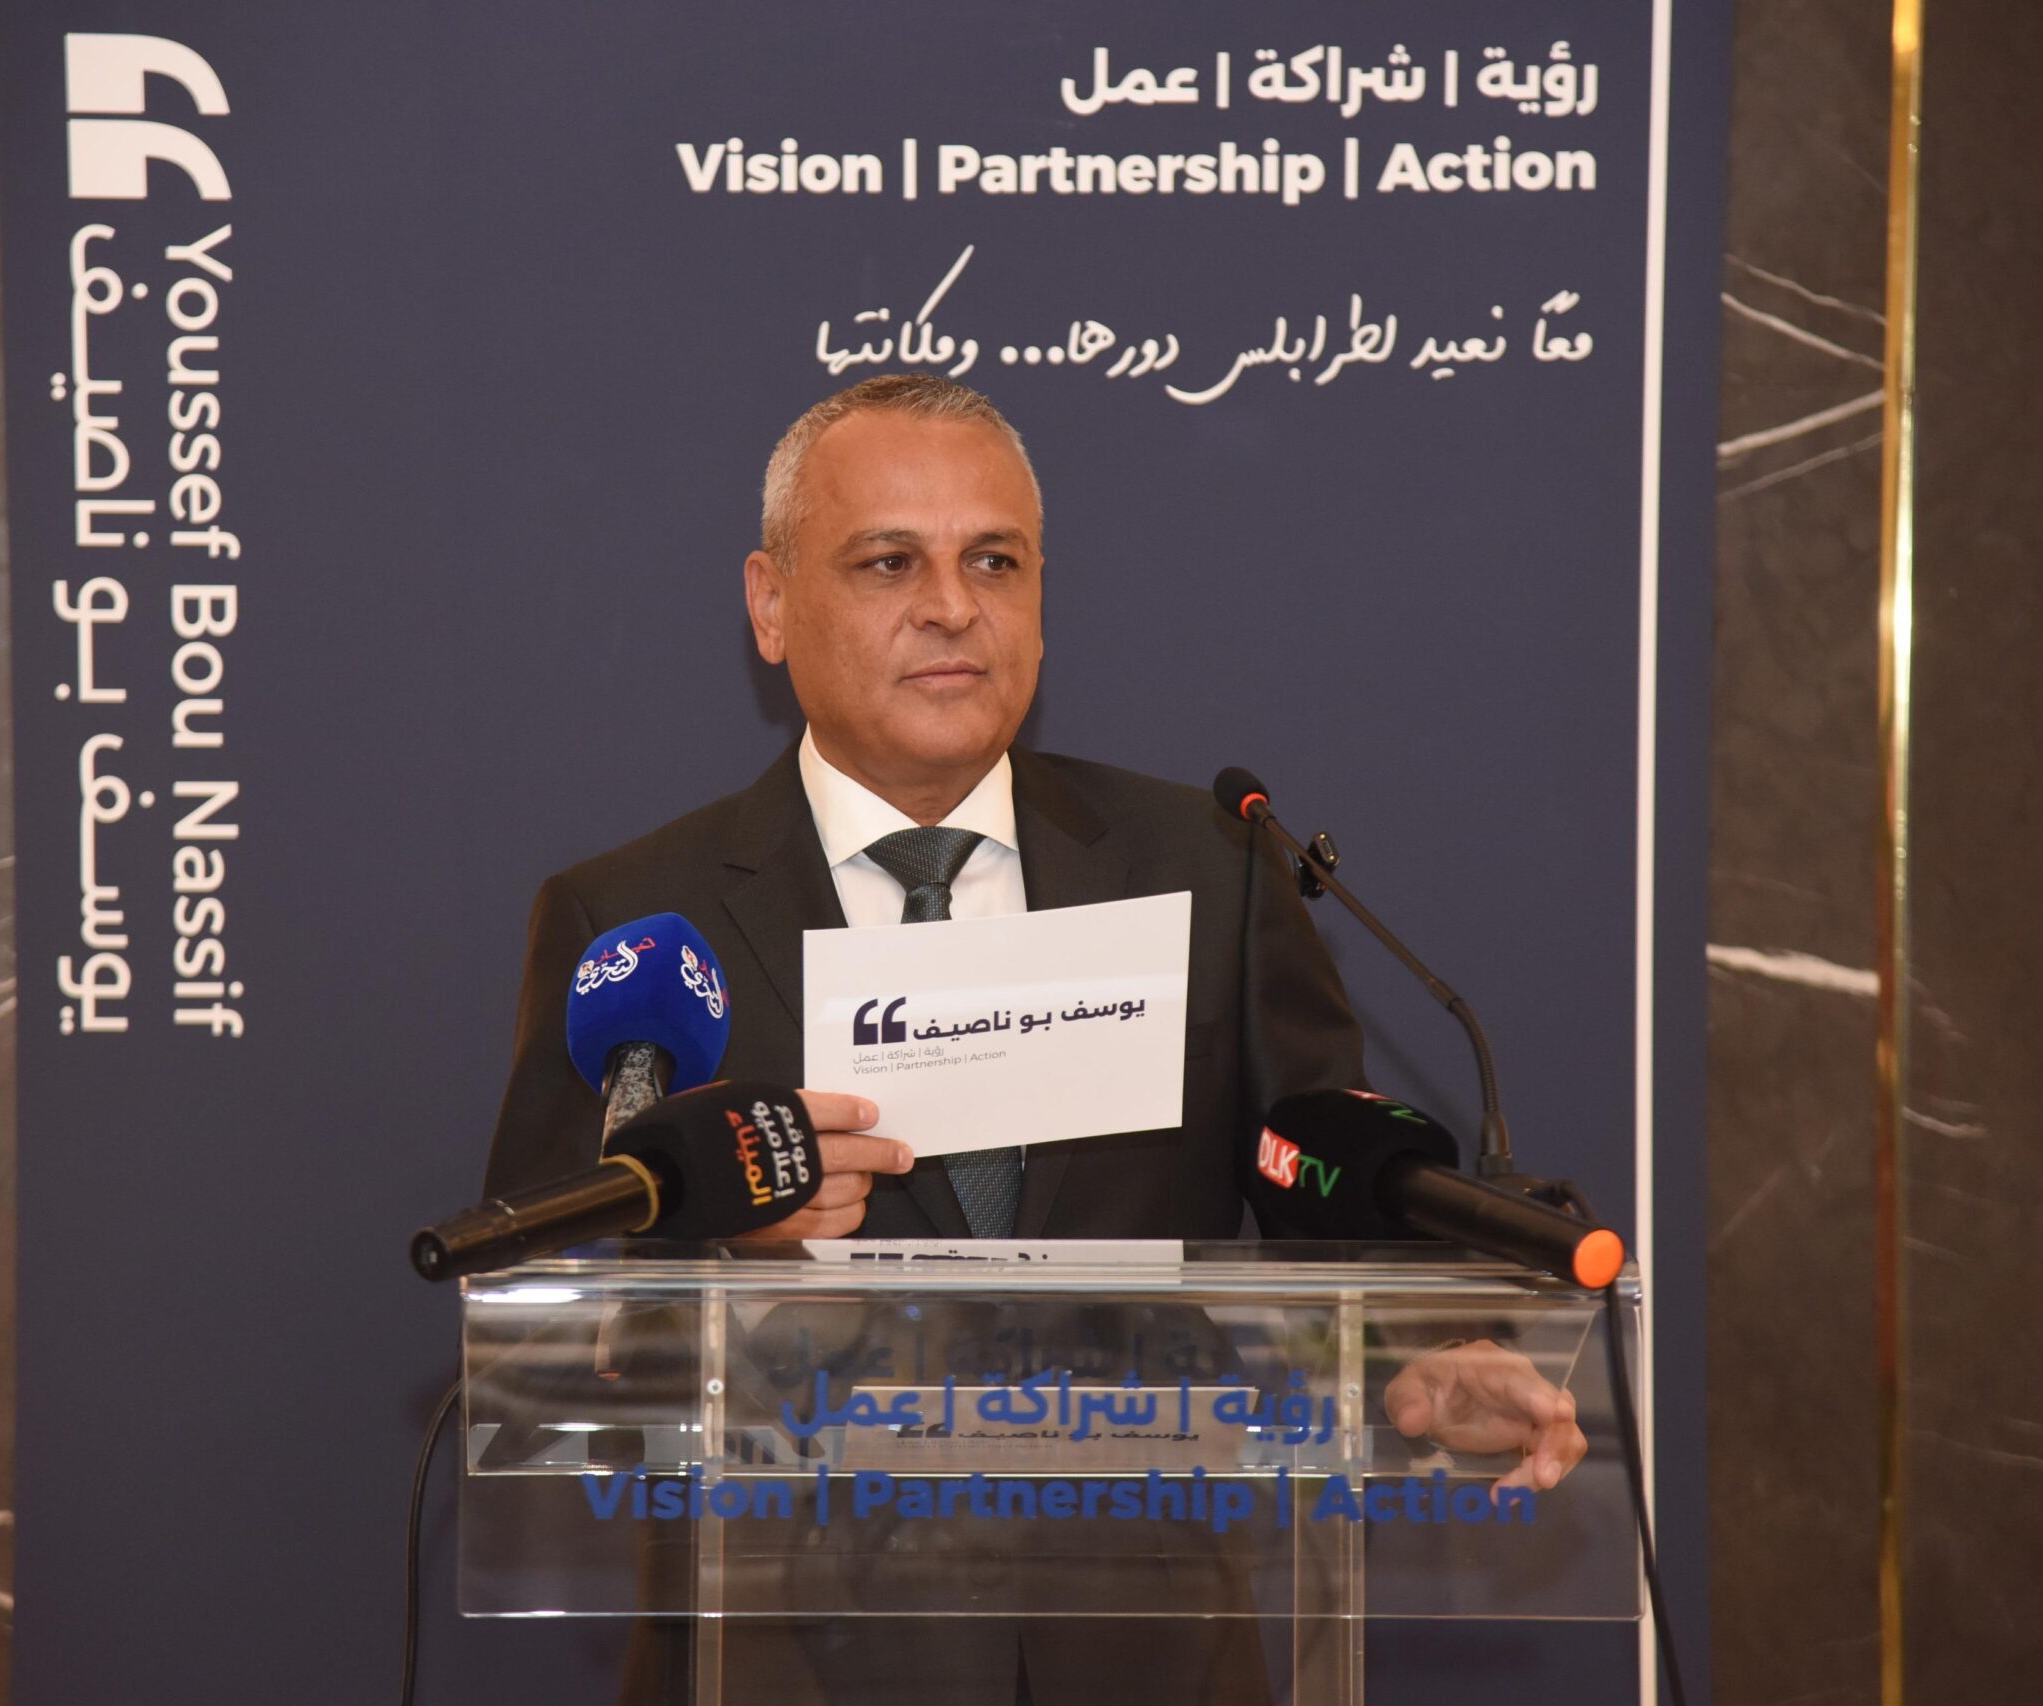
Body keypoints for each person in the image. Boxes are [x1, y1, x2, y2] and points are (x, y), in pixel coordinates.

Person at [479, 374, 1585, 1702]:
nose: (953, 605)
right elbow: (543, 1329)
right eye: (889, 561)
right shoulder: (635, 918)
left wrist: (1429, 1350)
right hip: (784, 1658)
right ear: (771, 605)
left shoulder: (1207, 867)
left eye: (994, 560)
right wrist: (718, 1254)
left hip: (1152, 1654)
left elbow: (1321, 1180)